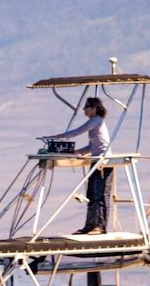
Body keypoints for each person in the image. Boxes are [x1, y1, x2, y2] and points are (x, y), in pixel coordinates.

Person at [45, 96, 112, 234]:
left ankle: (98, 226)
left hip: (102, 162)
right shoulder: (94, 123)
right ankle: (90, 226)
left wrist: (58, 136)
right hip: (95, 159)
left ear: (93, 108)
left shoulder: (96, 121)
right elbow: (92, 145)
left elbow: (77, 132)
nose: (84, 110)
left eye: (86, 107)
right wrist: (78, 152)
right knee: (91, 193)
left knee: (99, 193)